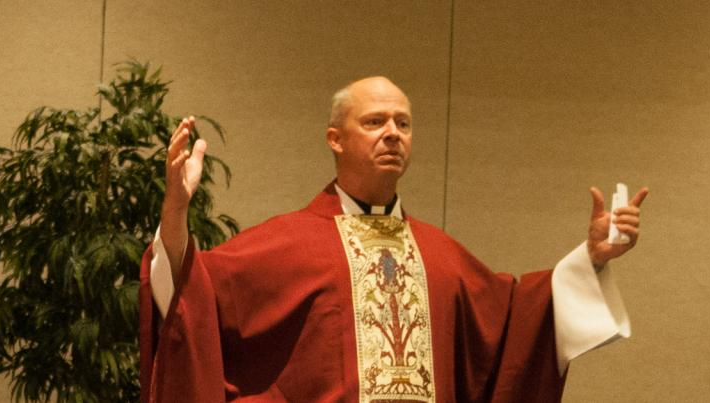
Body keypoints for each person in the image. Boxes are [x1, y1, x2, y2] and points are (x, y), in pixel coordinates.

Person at [139, 76, 648, 402]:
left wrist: (591, 261)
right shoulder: (285, 246)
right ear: (335, 139)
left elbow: (517, 320)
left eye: (403, 123)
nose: (393, 133)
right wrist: (175, 212)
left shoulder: (440, 256)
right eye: (375, 121)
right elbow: (192, 292)